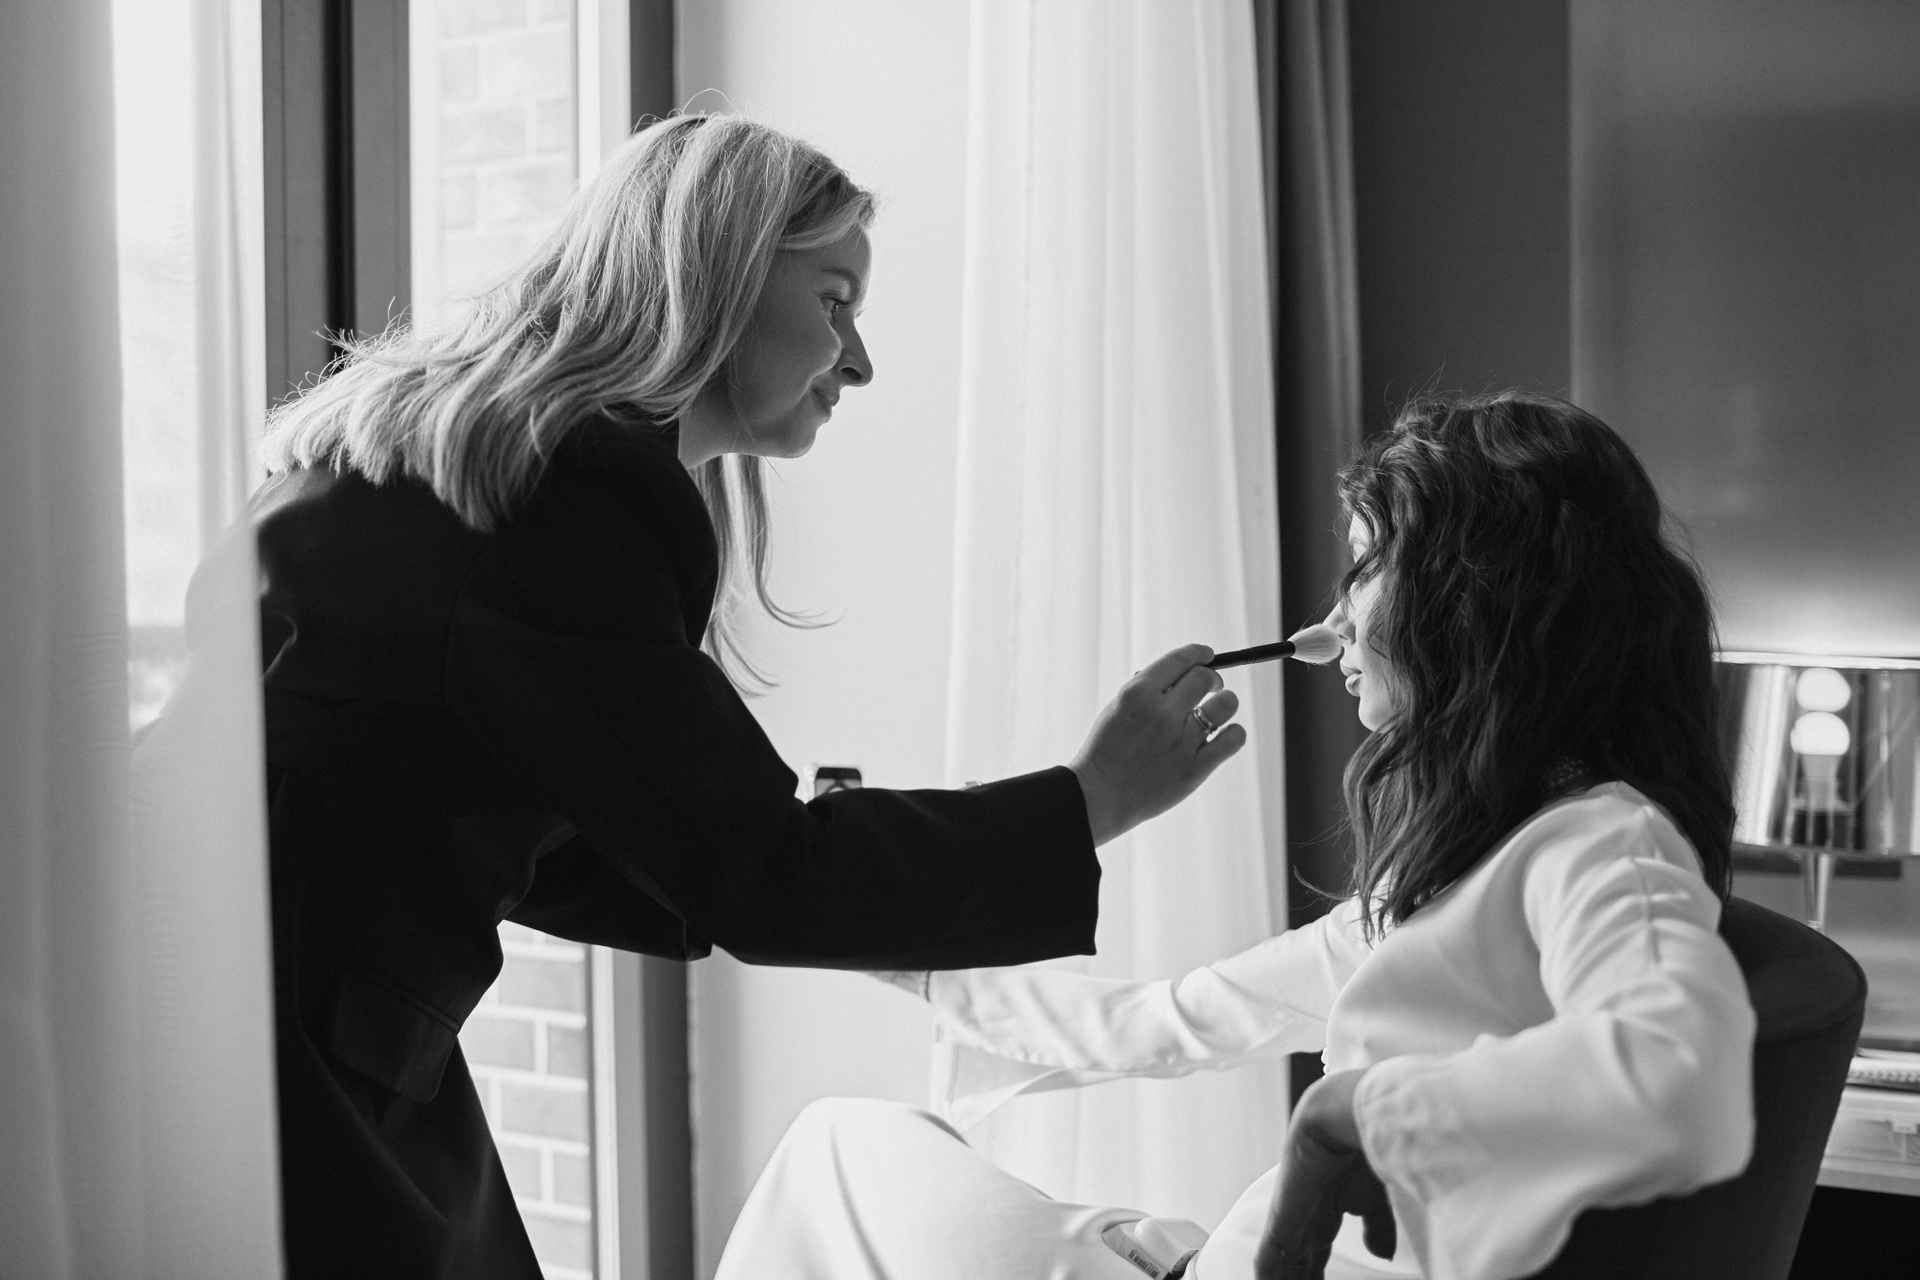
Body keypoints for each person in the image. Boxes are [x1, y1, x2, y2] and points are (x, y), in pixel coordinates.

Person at [225, 114, 1246, 1278]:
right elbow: (762, 873)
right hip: (293, 1065)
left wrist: (761, 854)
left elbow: (489, 792)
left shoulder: (448, 451)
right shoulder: (564, 496)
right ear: (715, 275)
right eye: (835, 300)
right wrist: (1089, 798)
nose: (858, 361)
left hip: (246, 1016)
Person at [714, 392, 1759, 1280]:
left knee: (833, 1150)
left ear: (1476, 594)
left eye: (1363, 568)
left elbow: (1677, 1075)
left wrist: (1347, 1119)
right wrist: (905, 946)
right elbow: (1173, 1019)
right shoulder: (1454, 875)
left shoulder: (1602, 845)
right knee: (857, 1141)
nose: (1333, 624)